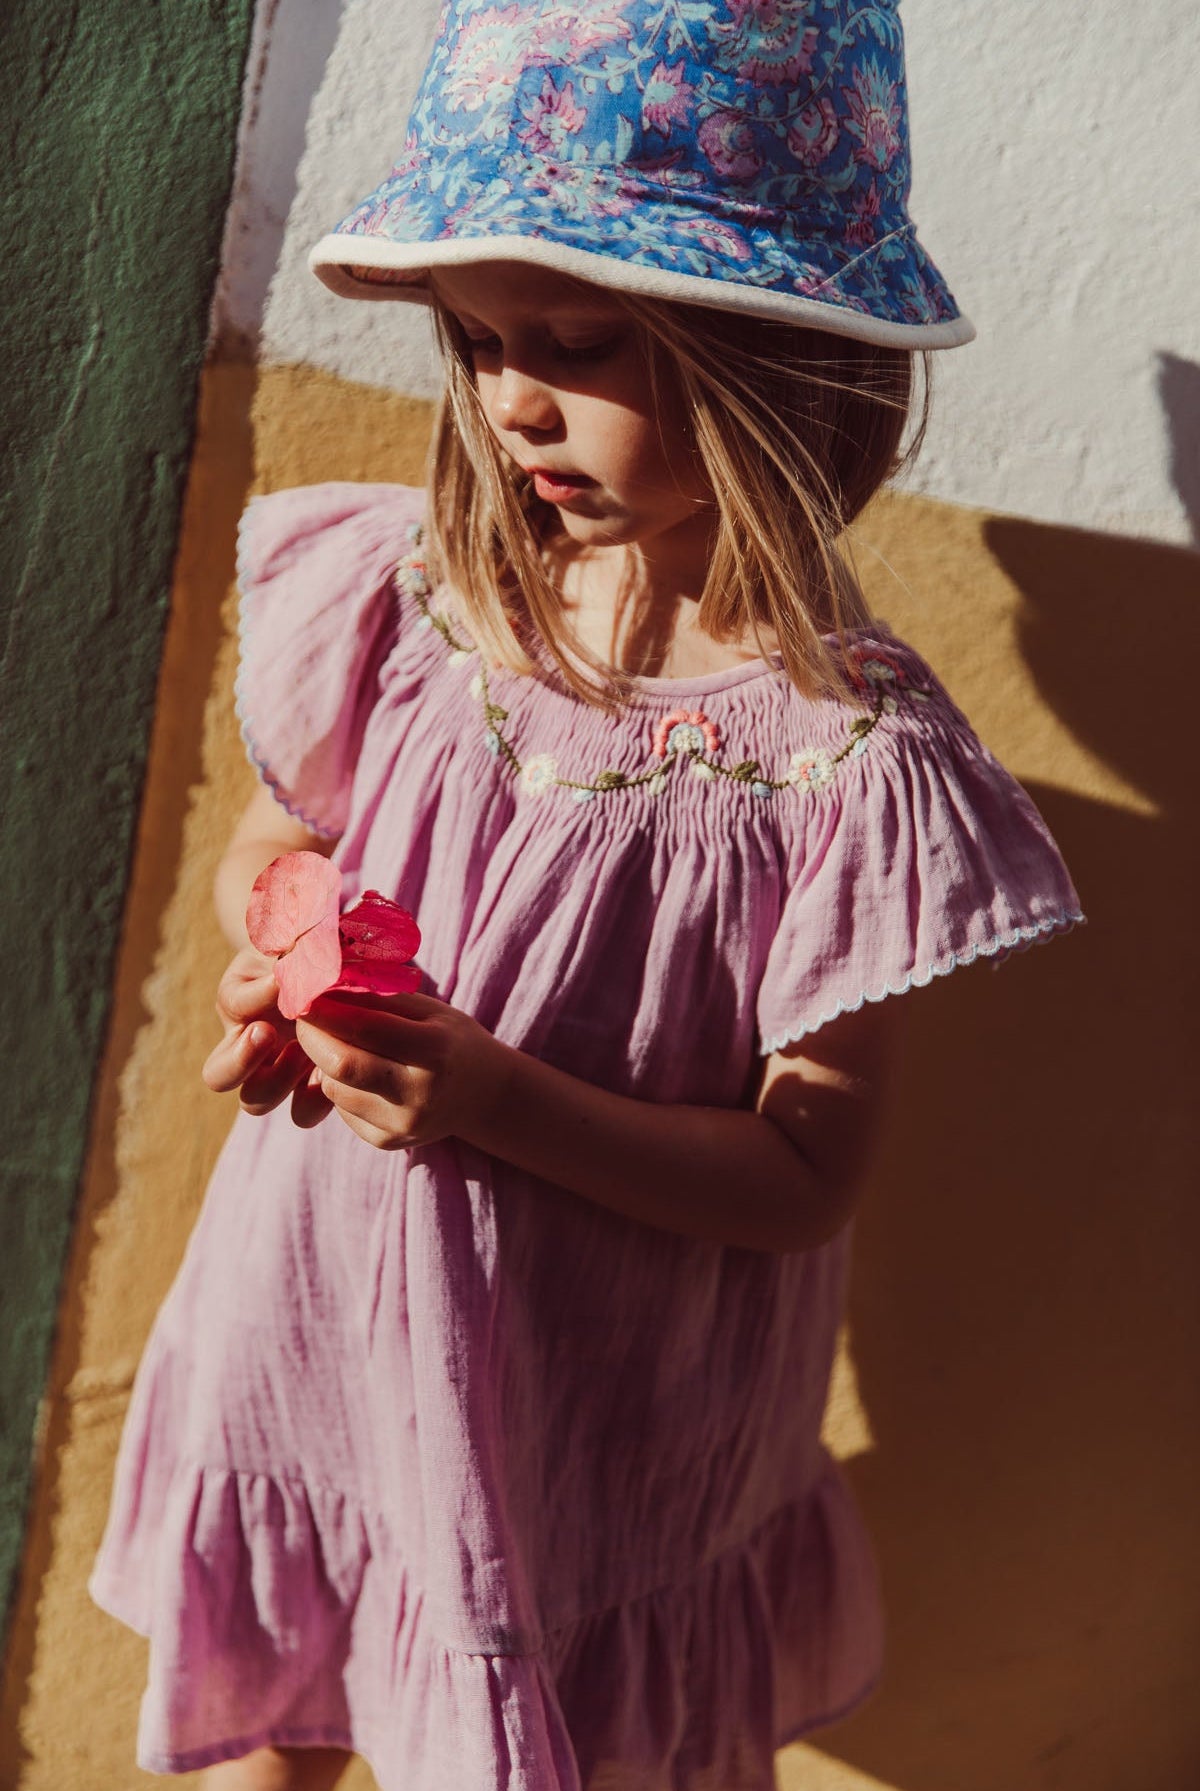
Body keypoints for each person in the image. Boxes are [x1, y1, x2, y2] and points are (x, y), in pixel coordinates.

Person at [90, 2, 1083, 1788]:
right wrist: (288, 951)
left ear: (779, 361)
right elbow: (275, 843)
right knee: (278, 1725)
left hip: (591, 1420)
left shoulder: (844, 763)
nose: (509, 401)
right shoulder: (421, 599)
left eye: (575, 342)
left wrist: (492, 1099)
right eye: (477, 342)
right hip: (319, 1322)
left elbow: (803, 1178)